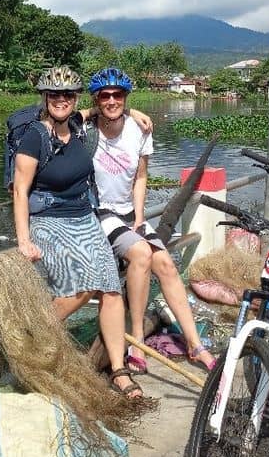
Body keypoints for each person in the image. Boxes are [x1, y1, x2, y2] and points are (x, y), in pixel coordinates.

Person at [12, 66, 143, 399]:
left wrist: (133, 112)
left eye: (67, 95)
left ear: (75, 99)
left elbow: (104, 107)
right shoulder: (34, 136)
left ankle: (118, 370)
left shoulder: (76, 126)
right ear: (44, 98)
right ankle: (33, 339)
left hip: (85, 217)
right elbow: (20, 190)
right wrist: (24, 239)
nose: (61, 100)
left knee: (111, 289)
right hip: (49, 221)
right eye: (54, 95)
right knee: (83, 287)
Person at [88, 67, 217, 373]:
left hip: (130, 214)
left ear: (125, 96)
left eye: (118, 95)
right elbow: (56, 114)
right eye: (104, 96)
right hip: (101, 213)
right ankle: (135, 337)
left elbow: (141, 176)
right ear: (95, 100)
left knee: (167, 266)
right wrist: (131, 109)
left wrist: (141, 216)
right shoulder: (87, 130)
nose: (111, 101)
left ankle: (194, 344)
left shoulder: (140, 130)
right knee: (142, 254)